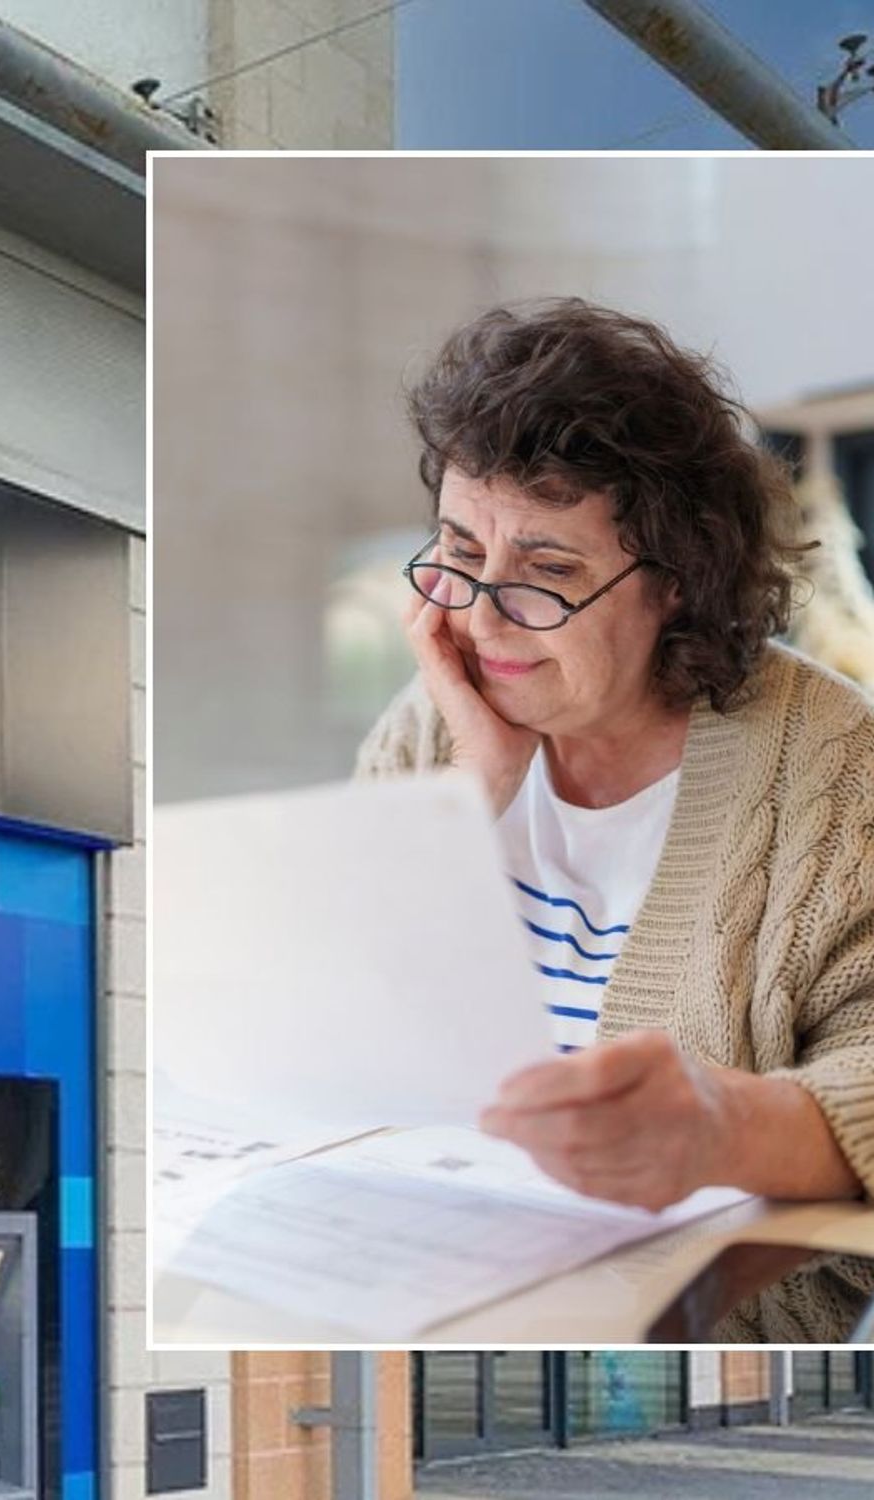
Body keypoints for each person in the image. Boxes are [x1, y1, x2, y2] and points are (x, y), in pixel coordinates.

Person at [355, 298, 874, 1341]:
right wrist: (463, 802)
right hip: (412, 1293)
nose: (480, 615)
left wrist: (721, 1127)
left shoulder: (835, 771)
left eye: (548, 573)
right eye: (459, 549)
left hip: (702, 1335)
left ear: (674, 583)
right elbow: (324, 1026)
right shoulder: (427, 727)